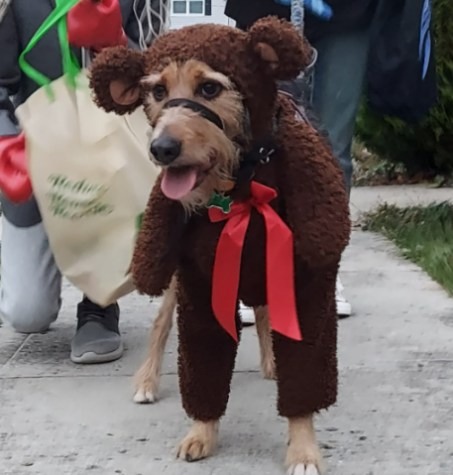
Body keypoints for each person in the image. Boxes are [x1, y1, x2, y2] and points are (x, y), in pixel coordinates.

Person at [0, 0, 169, 363]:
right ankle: (53, 249)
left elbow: (161, 69)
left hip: (108, 149)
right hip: (31, 151)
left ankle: (98, 305)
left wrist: (120, 48)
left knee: (115, 198)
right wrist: (6, 142)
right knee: (28, 314)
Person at [226, 0, 379, 319]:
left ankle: (322, 270)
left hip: (347, 13)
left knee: (331, 148)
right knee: (260, 138)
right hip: (264, 9)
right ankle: (255, 273)